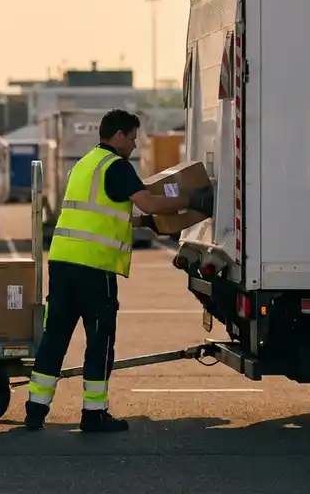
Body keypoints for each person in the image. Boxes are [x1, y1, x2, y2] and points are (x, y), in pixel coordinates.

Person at [25, 109, 214, 433]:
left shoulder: (84, 165)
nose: (135, 144)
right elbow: (151, 203)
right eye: (132, 137)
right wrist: (192, 199)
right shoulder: (117, 166)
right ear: (118, 136)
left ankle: (35, 410)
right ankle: (94, 414)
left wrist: (144, 224)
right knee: (100, 341)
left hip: (63, 262)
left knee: (55, 337)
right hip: (94, 268)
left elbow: (102, 216)